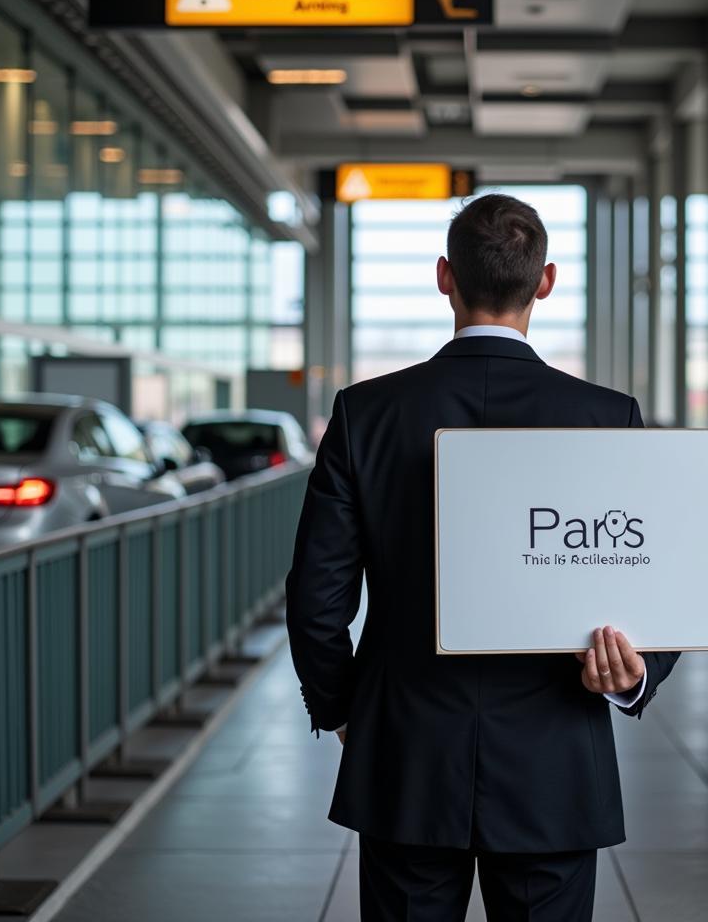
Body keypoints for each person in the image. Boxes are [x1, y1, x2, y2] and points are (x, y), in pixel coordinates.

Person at [286, 193, 680, 922]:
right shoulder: (607, 416)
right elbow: (660, 584)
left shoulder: (365, 414)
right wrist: (635, 674)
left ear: (445, 276)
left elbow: (315, 598)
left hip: (406, 754)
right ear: (547, 281)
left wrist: (344, 710)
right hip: (556, 766)